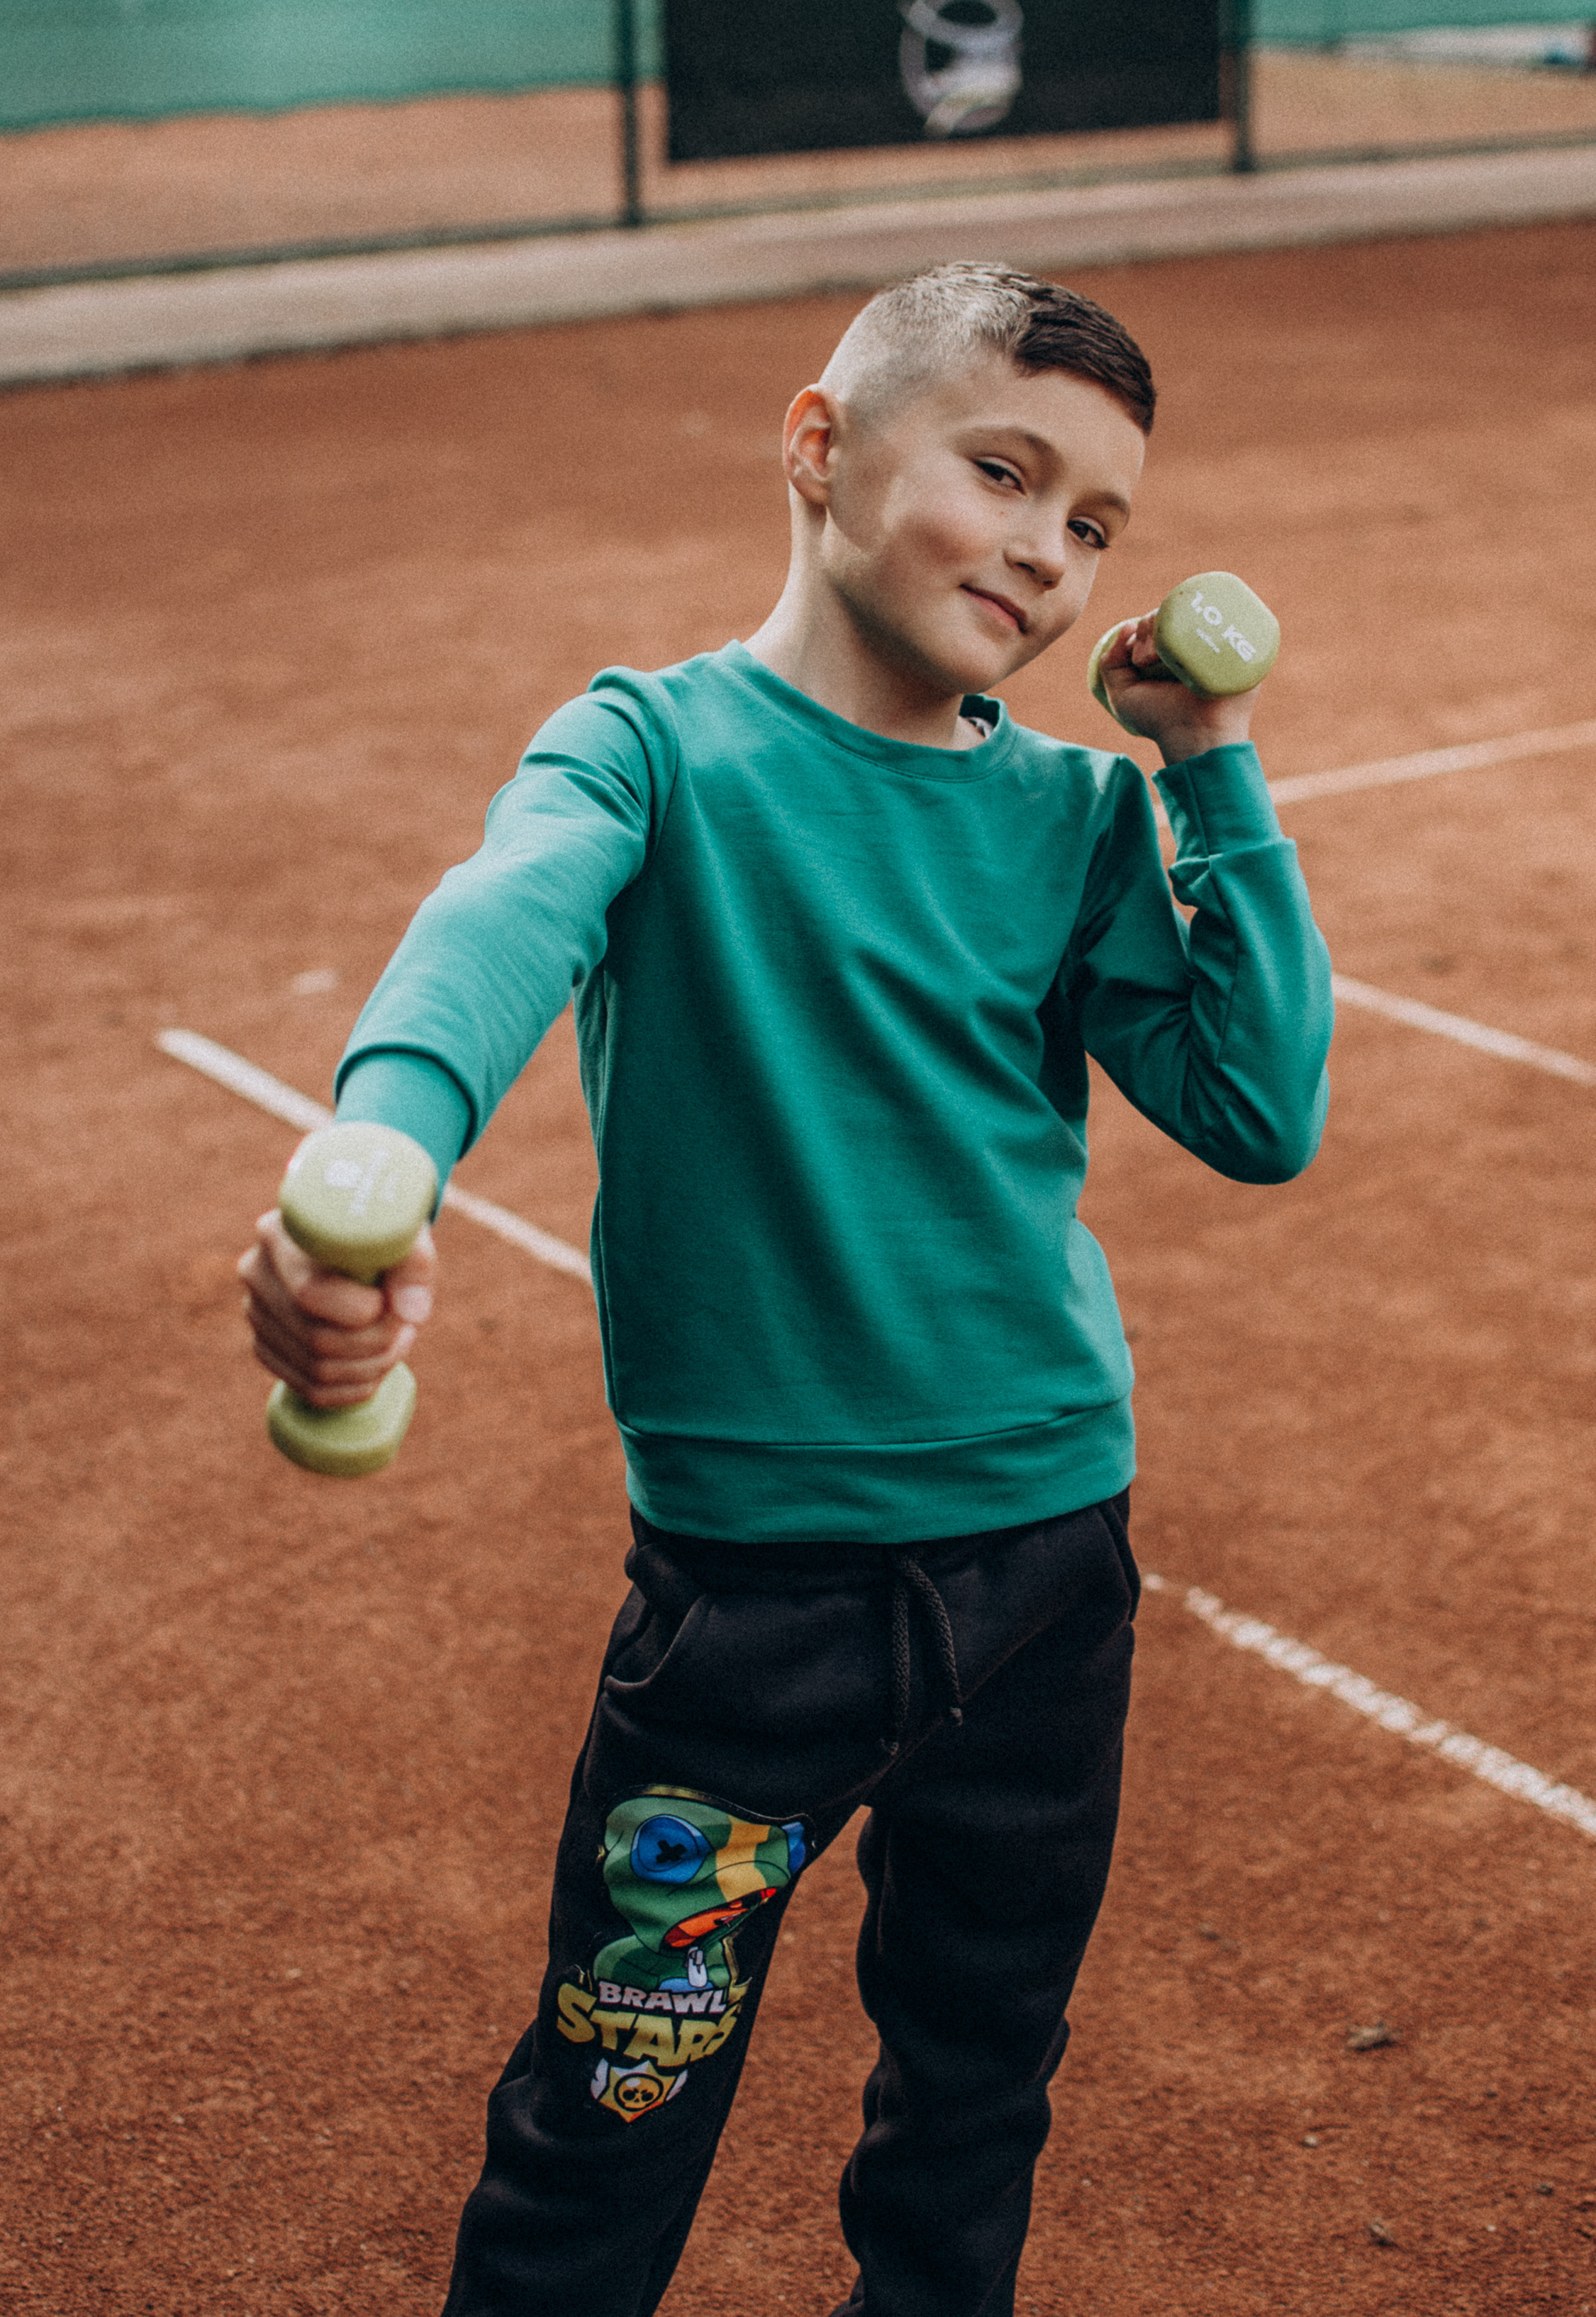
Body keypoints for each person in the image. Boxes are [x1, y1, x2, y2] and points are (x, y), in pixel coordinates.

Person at [238, 262, 1332, 2317]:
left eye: (1097, 525)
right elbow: (498, 922)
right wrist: (369, 1161)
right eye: (1004, 472)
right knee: (610, 2110)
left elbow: (1263, 1103)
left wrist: (1214, 762)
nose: (1046, 550)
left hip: (1044, 1571)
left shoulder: (1084, 816)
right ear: (820, 448)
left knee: (974, 2097)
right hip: (755, 1611)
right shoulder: (653, 748)